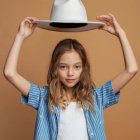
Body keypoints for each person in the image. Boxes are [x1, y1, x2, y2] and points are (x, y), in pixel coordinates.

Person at [4, 14, 138, 140]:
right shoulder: (43, 98)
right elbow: (9, 73)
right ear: (55, 68)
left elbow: (131, 70)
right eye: (63, 66)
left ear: (83, 69)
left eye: (77, 67)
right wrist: (20, 37)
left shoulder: (97, 97)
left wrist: (121, 34)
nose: (70, 73)